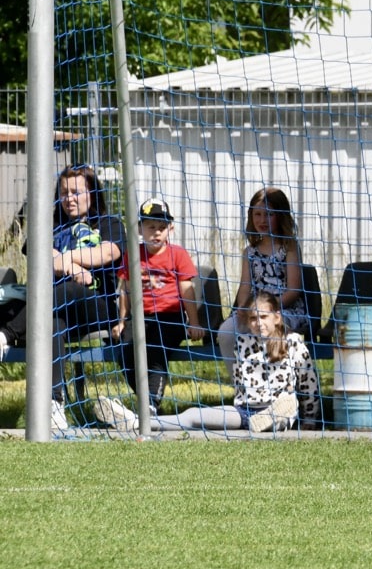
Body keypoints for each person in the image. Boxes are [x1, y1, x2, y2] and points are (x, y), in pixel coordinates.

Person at [0, 164, 125, 431]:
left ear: (91, 193)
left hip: (97, 308)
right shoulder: (51, 226)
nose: (69, 198)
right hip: (56, 308)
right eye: (65, 192)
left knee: (68, 290)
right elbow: (36, 254)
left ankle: (5, 335)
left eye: (77, 192)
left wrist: (65, 260)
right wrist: (71, 267)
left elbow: (105, 254)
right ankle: (54, 405)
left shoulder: (109, 223)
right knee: (53, 321)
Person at [96, 292, 313, 434]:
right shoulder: (244, 342)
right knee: (192, 416)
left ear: (276, 317)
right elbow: (241, 386)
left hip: (282, 409)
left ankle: (272, 419)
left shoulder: (293, 343)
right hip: (245, 412)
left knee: (285, 407)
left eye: (263, 317)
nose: (258, 323)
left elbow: (308, 384)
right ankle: (137, 422)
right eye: (253, 319)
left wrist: (310, 419)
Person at [213, 187, 319, 426]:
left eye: (268, 214)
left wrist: (268, 310)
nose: (262, 220)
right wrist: (242, 309)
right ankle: (248, 393)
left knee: (269, 329)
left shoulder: (289, 248)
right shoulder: (249, 253)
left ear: (280, 216)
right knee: (228, 332)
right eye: (257, 214)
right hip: (256, 310)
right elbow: (244, 286)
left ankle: (281, 396)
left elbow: (293, 290)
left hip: (285, 310)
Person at [108, 198, 204, 415]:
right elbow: (125, 290)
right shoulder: (133, 255)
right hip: (141, 317)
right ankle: (148, 404)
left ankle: (150, 404)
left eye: (162, 227)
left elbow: (187, 290)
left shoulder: (177, 254)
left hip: (171, 317)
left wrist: (195, 323)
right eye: (151, 227)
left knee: (155, 349)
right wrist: (122, 322)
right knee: (125, 351)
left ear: (170, 228)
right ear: (140, 228)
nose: (157, 232)